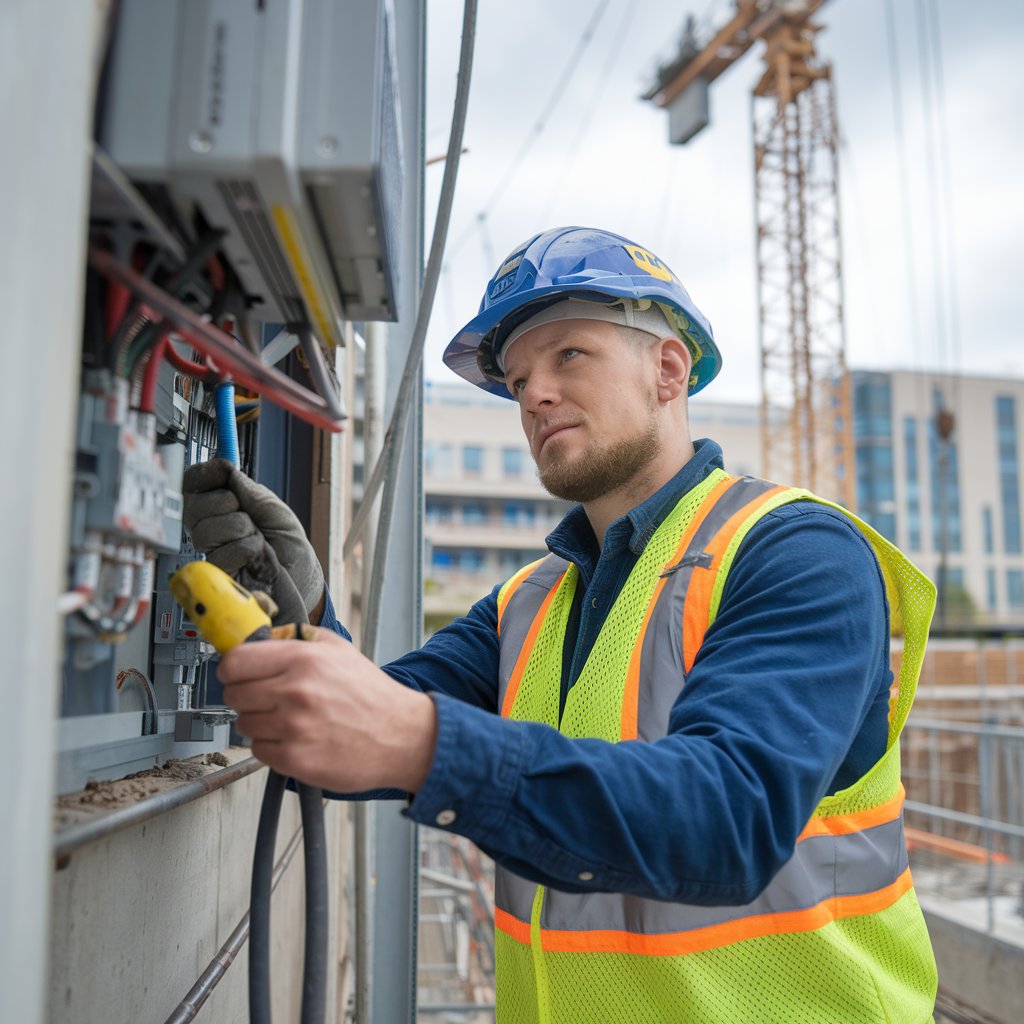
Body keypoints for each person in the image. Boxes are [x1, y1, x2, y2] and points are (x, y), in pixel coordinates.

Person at [183, 227, 938, 1022]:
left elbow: (730, 819)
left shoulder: (795, 552)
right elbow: (362, 726)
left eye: (569, 356)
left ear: (668, 369)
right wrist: (300, 616)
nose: (534, 394)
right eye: (516, 381)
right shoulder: (530, 602)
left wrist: (420, 741)